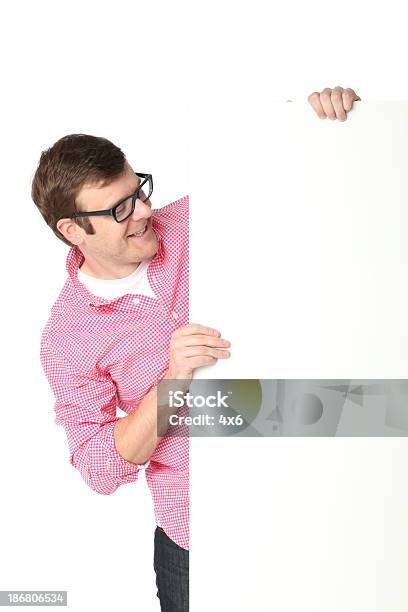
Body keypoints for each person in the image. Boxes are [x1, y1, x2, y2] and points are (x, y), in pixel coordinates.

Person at [31, 85, 360, 612]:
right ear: (73, 230)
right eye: (119, 209)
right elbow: (100, 467)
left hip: (308, 497)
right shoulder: (67, 336)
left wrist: (326, 121)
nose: (142, 211)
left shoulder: (196, 221)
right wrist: (171, 382)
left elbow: (302, 181)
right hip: (197, 540)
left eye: (138, 189)